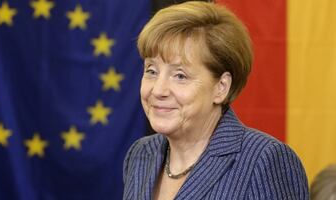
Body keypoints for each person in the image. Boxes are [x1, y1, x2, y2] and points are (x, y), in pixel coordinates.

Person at [122, 1, 309, 199]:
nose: (158, 90)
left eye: (180, 76)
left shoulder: (265, 160)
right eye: (151, 71)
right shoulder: (140, 154)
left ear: (221, 87)